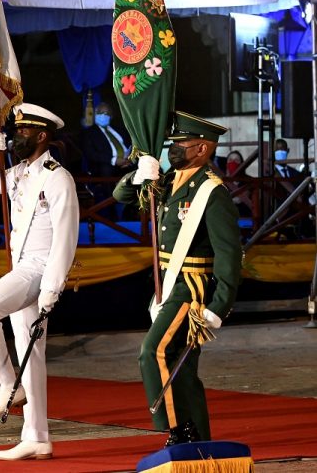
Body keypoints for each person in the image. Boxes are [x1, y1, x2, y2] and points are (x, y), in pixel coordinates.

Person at [113, 111, 242, 447]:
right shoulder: (168, 180)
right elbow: (120, 197)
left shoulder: (212, 192)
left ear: (202, 148)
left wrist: (219, 304)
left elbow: (228, 253)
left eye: (180, 143)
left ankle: (176, 429)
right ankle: (199, 440)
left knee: (152, 352)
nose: (173, 148)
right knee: (181, 369)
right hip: (167, 281)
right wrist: (139, 176)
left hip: (192, 287)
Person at [0, 103, 79, 461]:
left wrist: (52, 286)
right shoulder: (17, 173)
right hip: (22, 267)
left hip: (39, 270)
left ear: (42, 136)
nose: (16, 136)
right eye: (14, 131)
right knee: (31, 355)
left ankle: (5, 384)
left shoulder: (57, 177)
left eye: (22, 132)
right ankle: (37, 436)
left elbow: (66, 237)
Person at [79, 101, 133, 219]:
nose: (103, 115)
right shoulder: (89, 133)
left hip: (125, 163)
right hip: (103, 166)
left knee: (143, 166)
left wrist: (129, 159)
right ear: (95, 114)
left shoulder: (120, 130)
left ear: (111, 116)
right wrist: (114, 161)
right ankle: (111, 211)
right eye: (100, 112)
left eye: (106, 113)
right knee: (106, 168)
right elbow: (91, 154)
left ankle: (135, 209)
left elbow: (130, 145)